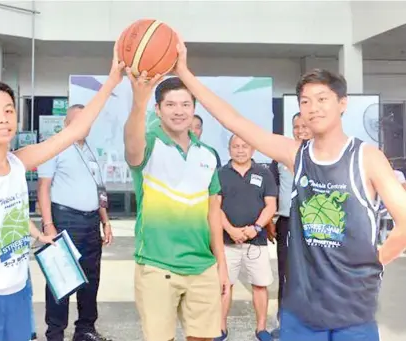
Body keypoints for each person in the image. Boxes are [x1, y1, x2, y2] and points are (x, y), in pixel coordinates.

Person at [173, 39, 406, 341]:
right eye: (305, 101)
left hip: (353, 310)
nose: (313, 108)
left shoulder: (366, 158)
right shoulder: (297, 155)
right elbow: (235, 121)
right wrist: (185, 73)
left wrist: (376, 260)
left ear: (342, 103)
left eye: (322, 99)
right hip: (301, 310)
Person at [0, 46, 124, 341]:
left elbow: (74, 132)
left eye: (8, 110)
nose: (3, 118)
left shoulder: (18, 162)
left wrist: (113, 79)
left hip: (18, 291)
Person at [123, 73, 230, 341]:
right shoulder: (148, 146)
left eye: (185, 104)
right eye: (170, 105)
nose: (179, 111)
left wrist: (222, 266)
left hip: (202, 265)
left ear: (194, 109)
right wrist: (139, 101)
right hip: (158, 265)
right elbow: (132, 142)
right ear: (157, 109)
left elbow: (212, 214)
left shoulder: (207, 154)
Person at [37, 104, 114, 341]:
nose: (83, 126)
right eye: (77, 121)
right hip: (65, 219)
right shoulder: (55, 147)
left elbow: (98, 189)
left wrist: (105, 220)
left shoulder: (89, 150)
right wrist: (48, 225)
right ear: (66, 124)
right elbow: (44, 187)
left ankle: (85, 329)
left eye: (86, 121)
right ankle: (55, 333)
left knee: (91, 278)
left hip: (91, 221)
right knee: (61, 278)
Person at [217, 135, 277, 341]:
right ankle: (220, 328)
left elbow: (271, 205)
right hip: (226, 240)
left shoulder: (264, 173)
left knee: (260, 284)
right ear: (229, 149)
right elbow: (214, 207)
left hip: (256, 241)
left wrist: (257, 227)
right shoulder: (220, 174)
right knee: (224, 285)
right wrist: (231, 229)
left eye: (245, 146)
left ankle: (261, 329)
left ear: (253, 150)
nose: (240, 150)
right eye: (235, 146)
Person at [268, 112, 312, 338]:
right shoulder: (280, 158)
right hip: (287, 222)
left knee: (314, 273)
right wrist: (270, 220)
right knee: (286, 273)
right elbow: (272, 192)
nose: (301, 131)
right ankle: (284, 324)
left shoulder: (321, 156)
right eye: (296, 126)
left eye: (305, 126)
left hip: (315, 226)